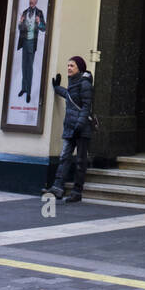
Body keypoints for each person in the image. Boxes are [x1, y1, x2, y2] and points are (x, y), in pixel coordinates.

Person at [46, 56, 94, 202]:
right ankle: (57, 188)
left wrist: (79, 125)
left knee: (80, 161)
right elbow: (69, 95)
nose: (68, 68)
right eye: (68, 65)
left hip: (81, 129)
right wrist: (57, 88)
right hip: (70, 127)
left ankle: (77, 192)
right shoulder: (73, 82)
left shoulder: (85, 84)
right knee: (64, 158)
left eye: (72, 66)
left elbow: (87, 106)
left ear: (79, 67)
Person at [16, 0, 46, 104]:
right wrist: (20, 22)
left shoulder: (39, 13)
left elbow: (44, 28)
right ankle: (23, 88)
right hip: (24, 43)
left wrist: (39, 23)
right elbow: (20, 28)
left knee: (30, 67)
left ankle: (28, 92)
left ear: (36, 0)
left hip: (32, 43)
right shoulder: (24, 12)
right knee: (24, 66)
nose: (31, 1)